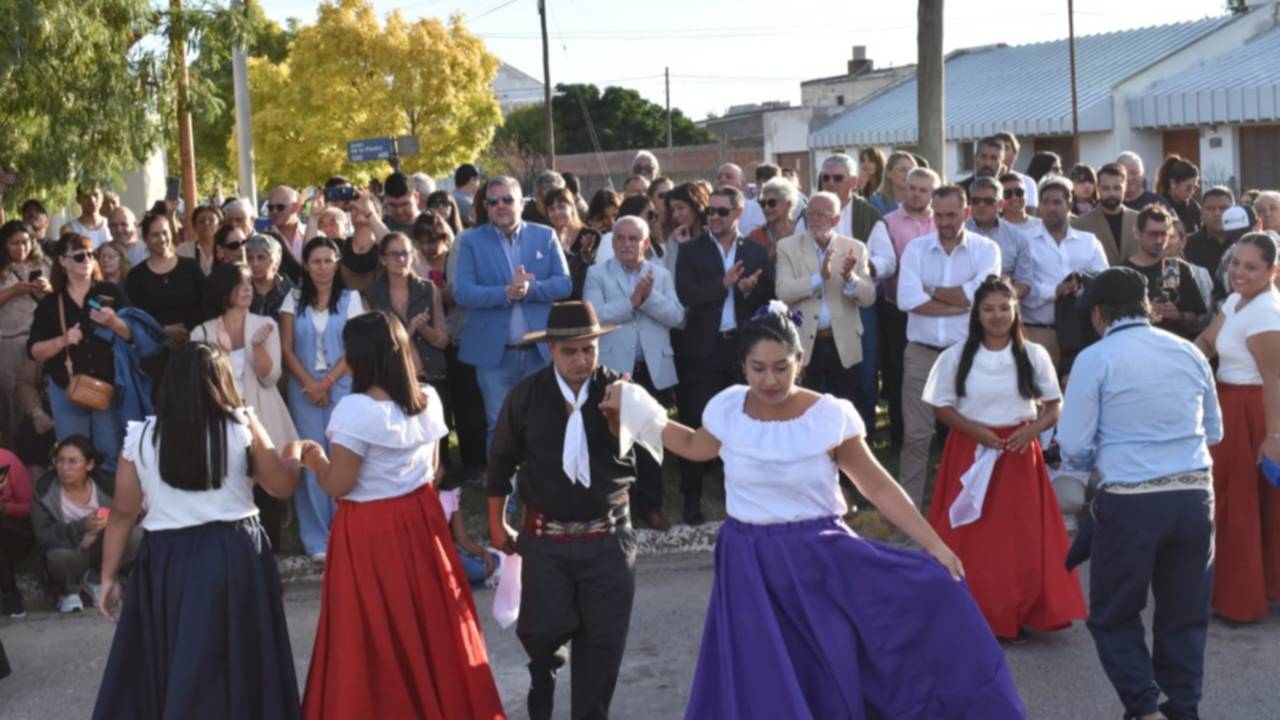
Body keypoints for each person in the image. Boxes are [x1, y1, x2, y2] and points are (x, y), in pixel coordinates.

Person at [601, 304, 1025, 718]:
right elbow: (694, 445)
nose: (770, 380)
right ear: (742, 365)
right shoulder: (728, 408)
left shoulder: (828, 416)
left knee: (825, 670)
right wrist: (637, 406)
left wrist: (935, 546)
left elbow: (877, 485)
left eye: (781, 367)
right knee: (762, 677)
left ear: (800, 360)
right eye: (758, 368)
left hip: (819, 563)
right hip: (747, 564)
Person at [294, 311, 504, 719]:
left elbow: (339, 484)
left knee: (372, 633)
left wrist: (312, 457)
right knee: (429, 627)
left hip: (371, 530)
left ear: (360, 356)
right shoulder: (428, 400)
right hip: (421, 524)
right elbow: (435, 470)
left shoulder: (355, 410)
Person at [92, 342, 302, 719]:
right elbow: (282, 486)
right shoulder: (241, 426)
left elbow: (122, 513)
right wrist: (295, 454)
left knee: (179, 658)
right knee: (240, 659)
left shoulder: (142, 437)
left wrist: (108, 576)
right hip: (233, 553)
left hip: (167, 559)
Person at [1058, 266, 1221, 720]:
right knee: (1184, 615)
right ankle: (1181, 709)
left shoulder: (1095, 358)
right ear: (1147, 306)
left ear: (1098, 314)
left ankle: (1146, 710)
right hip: (1194, 497)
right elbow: (1215, 431)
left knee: (1113, 614)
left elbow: (1073, 444)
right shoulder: (1188, 352)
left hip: (1131, 500)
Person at [488, 301, 641, 720]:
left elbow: (636, 462)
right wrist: (497, 523)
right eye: (570, 351)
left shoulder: (619, 391)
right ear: (551, 349)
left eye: (589, 349)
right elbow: (501, 463)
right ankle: (543, 679)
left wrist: (618, 421)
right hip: (546, 542)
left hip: (608, 539)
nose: (581, 360)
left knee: (601, 652)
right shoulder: (526, 396)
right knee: (541, 637)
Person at [923, 275, 1085, 639]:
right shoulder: (955, 356)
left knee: (1016, 539)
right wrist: (975, 431)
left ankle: (1015, 610)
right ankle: (969, 608)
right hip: (970, 450)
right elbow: (940, 405)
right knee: (970, 535)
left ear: (1015, 311)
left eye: (1004, 308)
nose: (997, 316)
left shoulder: (1034, 355)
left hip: (1017, 453)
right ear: (976, 313)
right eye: (988, 309)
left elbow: (1054, 405)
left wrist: (1032, 430)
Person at [896, 185, 1003, 509]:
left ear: (966, 213)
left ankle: (969, 513)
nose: (944, 222)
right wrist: (962, 302)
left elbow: (982, 298)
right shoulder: (916, 249)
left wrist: (931, 291)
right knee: (916, 437)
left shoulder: (986, 249)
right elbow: (907, 300)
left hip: (967, 354)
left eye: (951, 215)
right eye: (939, 215)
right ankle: (909, 519)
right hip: (921, 353)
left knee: (973, 434)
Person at [673, 186, 774, 524]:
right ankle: (691, 499)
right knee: (696, 420)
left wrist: (747, 291)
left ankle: (742, 496)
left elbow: (767, 298)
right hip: (702, 350)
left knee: (745, 423)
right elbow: (686, 293)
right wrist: (724, 284)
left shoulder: (756, 252)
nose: (714, 217)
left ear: (739, 213)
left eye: (721, 211)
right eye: (710, 211)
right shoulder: (691, 250)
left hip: (741, 350)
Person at [1193, 232, 1280, 624]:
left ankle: (1241, 598)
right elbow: (1207, 341)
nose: (1239, 273)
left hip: (1253, 412)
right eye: (1235, 263)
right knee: (1232, 502)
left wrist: (1274, 437)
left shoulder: (1267, 312)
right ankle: (1236, 590)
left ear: (1272, 271)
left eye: (1251, 267)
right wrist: (1178, 362)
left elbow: (1274, 380)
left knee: (1240, 504)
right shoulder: (1236, 300)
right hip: (1228, 406)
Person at [454, 176, 572, 450]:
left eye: (507, 199)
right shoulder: (471, 241)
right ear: (486, 206)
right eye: (493, 201)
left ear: (522, 203)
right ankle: (502, 480)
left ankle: (541, 478)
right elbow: (462, 292)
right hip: (494, 357)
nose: (501, 205)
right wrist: (505, 293)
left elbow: (564, 284)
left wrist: (530, 290)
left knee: (544, 424)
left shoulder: (545, 235)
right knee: (500, 427)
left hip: (539, 352)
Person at [584, 216, 685, 530]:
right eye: (620, 238)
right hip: (615, 371)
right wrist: (632, 302)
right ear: (613, 242)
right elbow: (594, 316)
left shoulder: (661, 274)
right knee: (612, 441)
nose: (626, 244)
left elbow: (677, 317)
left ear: (646, 243)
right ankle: (614, 506)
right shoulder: (597, 274)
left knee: (650, 439)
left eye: (633, 238)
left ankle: (650, 505)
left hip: (652, 371)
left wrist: (649, 298)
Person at [191, 263, 298, 550]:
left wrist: (259, 348)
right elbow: (202, 384)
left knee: (267, 488)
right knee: (232, 486)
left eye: (249, 283)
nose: (247, 289)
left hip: (262, 418)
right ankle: (237, 552)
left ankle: (270, 553)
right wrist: (224, 353)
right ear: (224, 290)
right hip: (221, 421)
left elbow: (270, 378)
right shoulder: (201, 332)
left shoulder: (266, 324)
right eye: (240, 284)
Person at [280, 236, 365, 559]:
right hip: (303, 391)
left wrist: (327, 382)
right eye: (316, 261)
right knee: (311, 461)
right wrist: (311, 385)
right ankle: (317, 539)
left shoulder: (350, 298)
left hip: (342, 387)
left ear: (337, 263)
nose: (323, 267)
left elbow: (355, 347)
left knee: (344, 459)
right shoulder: (293, 298)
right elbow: (286, 349)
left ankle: (347, 530)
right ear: (305, 265)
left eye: (328, 261)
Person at [27, 234, 135, 468]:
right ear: (62, 262)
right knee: (73, 457)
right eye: (78, 256)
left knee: (111, 456)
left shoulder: (110, 292)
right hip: (67, 389)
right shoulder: (51, 303)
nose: (87, 260)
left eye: (90, 254)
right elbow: (34, 350)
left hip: (107, 388)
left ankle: (107, 493)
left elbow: (134, 335)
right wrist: (63, 340)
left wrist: (114, 323)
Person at [776, 190, 877, 406]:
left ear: (836, 219)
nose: (813, 219)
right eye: (810, 213)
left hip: (843, 343)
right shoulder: (787, 247)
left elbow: (869, 297)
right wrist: (818, 278)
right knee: (805, 408)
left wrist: (850, 278)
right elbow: (783, 291)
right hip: (804, 343)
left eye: (820, 214)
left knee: (843, 407)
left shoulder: (855, 248)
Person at [30, 436, 141, 613]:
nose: (64, 468)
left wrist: (112, 522)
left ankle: (95, 578)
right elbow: (43, 534)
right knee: (57, 557)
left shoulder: (107, 484)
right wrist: (82, 527)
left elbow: (129, 515)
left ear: (89, 465)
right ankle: (69, 591)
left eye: (73, 462)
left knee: (136, 535)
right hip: (71, 551)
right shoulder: (44, 489)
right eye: (60, 461)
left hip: (104, 547)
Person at [1021, 177, 1109, 367]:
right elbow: (1022, 285)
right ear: (1039, 206)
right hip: (1041, 332)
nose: (1051, 208)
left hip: (1083, 333)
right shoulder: (1025, 242)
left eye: (1057, 202)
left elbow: (1104, 282)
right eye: (1045, 202)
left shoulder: (1089, 242)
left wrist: (1081, 285)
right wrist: (1055, 291)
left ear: (1069, 205)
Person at [362, 231, 448, 393]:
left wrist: (424, 329)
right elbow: (373, 348)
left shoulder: (429, 289)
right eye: (394, 254)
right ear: (383, 259)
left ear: (413, 256)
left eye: (405, 253)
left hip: (430, 377)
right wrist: (408, 332)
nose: (401, 259)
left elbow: (443, 341)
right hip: (391, 380)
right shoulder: (371, 295)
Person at [125, 211, 205, 384]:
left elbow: (205, 304)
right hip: (155, 355)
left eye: (165, 233)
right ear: (145, 239)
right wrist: (163, 330)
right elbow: (134, 316)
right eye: (155, 235)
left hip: (194, 350)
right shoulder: (136, 276)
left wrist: (187, 331)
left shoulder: (190, 267)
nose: (162, 239)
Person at [1121, 205, 1207, 340]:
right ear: (1138, 232)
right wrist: (1146, 314)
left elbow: (1196, 320)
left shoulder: (1176, 268)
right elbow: (1112, 322)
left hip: (1174, 344)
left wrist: (1178, 316)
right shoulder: (1124, 273)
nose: (1159, 240)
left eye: (1164, 234)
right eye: (1153, 234)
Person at [0, 221, 52, 441]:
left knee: (41, 397)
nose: (21, 247)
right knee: (11, 399)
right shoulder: (2, 270)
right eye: (14, 243)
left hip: (41, 340)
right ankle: (13, 447)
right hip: (8, 342)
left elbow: (61, 294)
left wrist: (48, 288)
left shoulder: (45, 263)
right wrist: (13, 291)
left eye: (25, 241)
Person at [1072, 162, 1139, 265]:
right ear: (1098, 188)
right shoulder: (1080, 225)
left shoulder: (1139, 220)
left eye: (1117, 188)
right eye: (1106, 188)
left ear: (1125, 187)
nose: (1111, 193)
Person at [0, 449, 34, 617]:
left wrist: (4, 507)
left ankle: (10, 594)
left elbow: (30, 507)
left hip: (14, 531)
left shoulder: (7, 459)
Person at [746, 177, 799, 257]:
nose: (766, 208)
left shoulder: (802, 230)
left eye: (772, 203)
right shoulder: (755, 236)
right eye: (763, 203)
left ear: (788, 204)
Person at [246, 233, 294, 321]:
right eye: (250, 258)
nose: (255, 264)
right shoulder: (240, 291)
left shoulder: (290, 292)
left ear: (276, 261)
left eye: (261, 258)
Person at [1156, 155, 1201, 234]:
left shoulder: (1194, 207)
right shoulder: (1158, 208)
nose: (1192, 192)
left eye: (1195, 187)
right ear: (1173, 183)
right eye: (1188, 188)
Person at [994, 131, 1039, 209]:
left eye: (1005, 148)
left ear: (1015, 154)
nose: (1001, 153)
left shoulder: (1027, 182)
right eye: (998, 148)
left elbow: (1030, 212)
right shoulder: (980, 182)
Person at [176, 204, 221, 276]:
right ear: (194, 227)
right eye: (201, 221)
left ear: (219, 225)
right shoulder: (184, 250)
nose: (206, 223)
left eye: (211, 220)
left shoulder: (228, 249)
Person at [267, 186, 307, 262]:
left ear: (296, 208)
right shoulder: (265, 238)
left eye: (280, 207)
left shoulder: (312, 234)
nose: (274, 211)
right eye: (270, 207)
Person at [869, 150, 915, 215]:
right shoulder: (877, 204)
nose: (908, 174)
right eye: (902, 170)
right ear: (889, 173)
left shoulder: (921, 202)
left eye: (911, 170)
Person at [68, 185, 111, 249]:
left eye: (95, 195)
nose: (92, 200)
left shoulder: (112, 224)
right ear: (78, 199)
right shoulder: (70, 229)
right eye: (86, 196)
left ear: (102, 197)